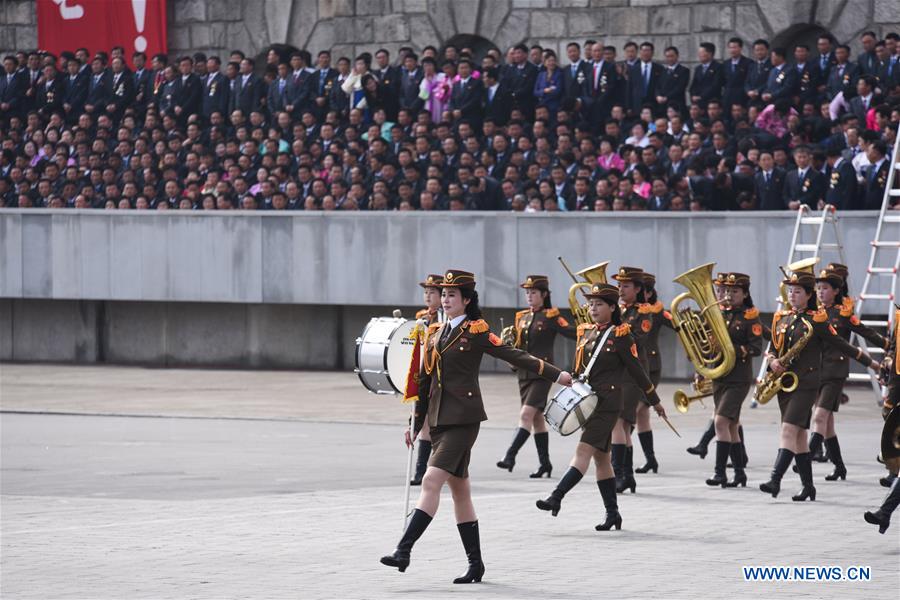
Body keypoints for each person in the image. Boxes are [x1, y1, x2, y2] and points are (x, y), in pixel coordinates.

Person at [381, 270, 572, 583]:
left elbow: (515, 354)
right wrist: (415, 425)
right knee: (461, 492)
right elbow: (424, 382)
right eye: (443, 295)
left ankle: (404, 548)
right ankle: (476, 565)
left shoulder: (477, 329)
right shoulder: (435, 333)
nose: (445, 300)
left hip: (464, 420)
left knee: (431, 481)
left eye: (452, 295)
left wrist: (555, 375)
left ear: (467, 300)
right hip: (440, 422)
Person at [535, 282, 665, 530]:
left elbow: (638, 371)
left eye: (599, 304)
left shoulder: (622, 334)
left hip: (608, 403)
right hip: (587, 400)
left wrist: (654, 401)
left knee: (583, 452)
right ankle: (613, 513)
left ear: (612, 307)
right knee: (602, 460)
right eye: (591, 303)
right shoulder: (585, 331)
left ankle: (556, 496)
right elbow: (578, 368)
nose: (592, 308)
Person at [759, 271, 879, 501]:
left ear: (807, 295)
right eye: (790, 291)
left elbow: (843, 344)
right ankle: (808, 487)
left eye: (797, 291)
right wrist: (773, 360)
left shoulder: (818, 320)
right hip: (784, 385)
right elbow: (774, 347)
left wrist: (871, 363)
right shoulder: (781, 318)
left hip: (806, 384)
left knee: (788, 430)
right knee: (801, 438)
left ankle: (775, 480)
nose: (792, 295)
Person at [806, 265, 886, 481]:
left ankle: (806, 457)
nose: (820, 292)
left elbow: (865, 331)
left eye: (824, 288)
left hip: (835, 371)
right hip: (816, 371)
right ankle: (840, 467)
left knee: (820, 416)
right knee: (827, 423)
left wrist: (889, 345)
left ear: (836, 291)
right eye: (818, 288)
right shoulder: (812, 313)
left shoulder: (842, 313)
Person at [496, 275, 576, 477]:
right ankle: (545, 464)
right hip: (523, 374)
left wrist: (590, 327)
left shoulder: (551, 316)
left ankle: (510, 456)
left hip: (543, 374)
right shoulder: (521, 317)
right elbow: (517, 346)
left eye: (533, 292)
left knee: (525, 415)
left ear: (544, 294)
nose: (529, 296)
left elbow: (570, 332)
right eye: (527, 292)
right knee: (537, 419)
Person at [705, 273, 763, 488]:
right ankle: (740, 474)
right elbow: (711, 344)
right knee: (731, 426)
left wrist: (732, 350)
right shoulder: (719, 314)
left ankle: (720, 473)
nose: (728, 295)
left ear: (745, 294)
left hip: (739, 378)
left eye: (734, 291)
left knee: (720, 422)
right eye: (726, 291)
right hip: (720, 376)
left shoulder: (750, 317)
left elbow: (756, 347)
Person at [610, 266, 654, 493]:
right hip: (617, 372)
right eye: (618, 285)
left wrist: (614, 331)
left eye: (625, 286)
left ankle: (619, 474)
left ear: (637, 289)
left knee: (618, 422)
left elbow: (638, 339)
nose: (620, 289)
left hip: (631, 374)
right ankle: (627, 476)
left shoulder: (643, 312)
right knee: (624, 426)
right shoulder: (617, 309)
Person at [632, 273, 673, 474]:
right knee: (642, 415)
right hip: (634, 367)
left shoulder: (656, 311)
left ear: (648, 292)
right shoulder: (630, 310)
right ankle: (651, 460)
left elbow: (677, 324)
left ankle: (619, 453)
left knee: (635, 410)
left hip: (651, 367)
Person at [409, 274, 445, 486]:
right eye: (426, 291)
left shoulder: (445, 319)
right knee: (422, 423)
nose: (428, 295)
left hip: (438, 376)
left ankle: (438, 468)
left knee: (438, 425)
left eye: (432, 292)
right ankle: (421, 471)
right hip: (423, 375)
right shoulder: (421, 317)